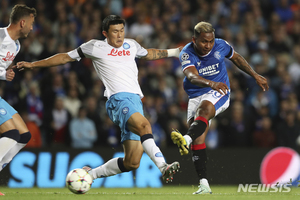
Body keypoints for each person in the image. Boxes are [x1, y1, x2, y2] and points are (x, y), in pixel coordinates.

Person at [17, 15, 181, 183]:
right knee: (145, 125)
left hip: (136, 102)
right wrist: (33, 64)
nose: (119, 35)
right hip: (118, 100)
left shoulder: (131, 45)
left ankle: (91, 174)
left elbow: (149, 54)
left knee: (132, 162)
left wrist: (175, 52)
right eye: (115, 31)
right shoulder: (94, 46)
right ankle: (163, 166)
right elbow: (65, 57)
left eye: (122, 30)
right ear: (105, 33)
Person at [170, 22, 269, 194]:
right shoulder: (186, 53)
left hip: (220, 90)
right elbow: (192, 76)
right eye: (203, 42)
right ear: (194, 40)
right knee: (199, 139)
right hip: (197, 95)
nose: (208, 45)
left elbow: (236, 57)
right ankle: (204, 184)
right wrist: (211, 82)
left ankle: (185, 139)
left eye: (210, 41)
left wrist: (254, 75)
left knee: (203, 111)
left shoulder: (221, 45)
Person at [0, 4, 36, 196]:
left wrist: (10, 69)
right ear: (22, 22)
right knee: (11, 134)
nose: (32, 28)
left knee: (23, 135)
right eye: (31, 23)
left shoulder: (16, 46)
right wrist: (3, 74)